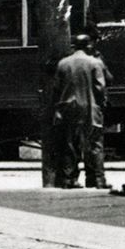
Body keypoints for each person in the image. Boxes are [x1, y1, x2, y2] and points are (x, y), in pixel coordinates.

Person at [52, 34, 111, 189]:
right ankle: (97, 179)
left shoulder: (63, 64)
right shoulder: (95, 63)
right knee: (94, 144)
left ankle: (69, 179)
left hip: (68, 107)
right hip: (90, 107)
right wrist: (103, 103)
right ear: (88, 45)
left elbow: (56, 89)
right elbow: (100, 87)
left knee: (70, 143)